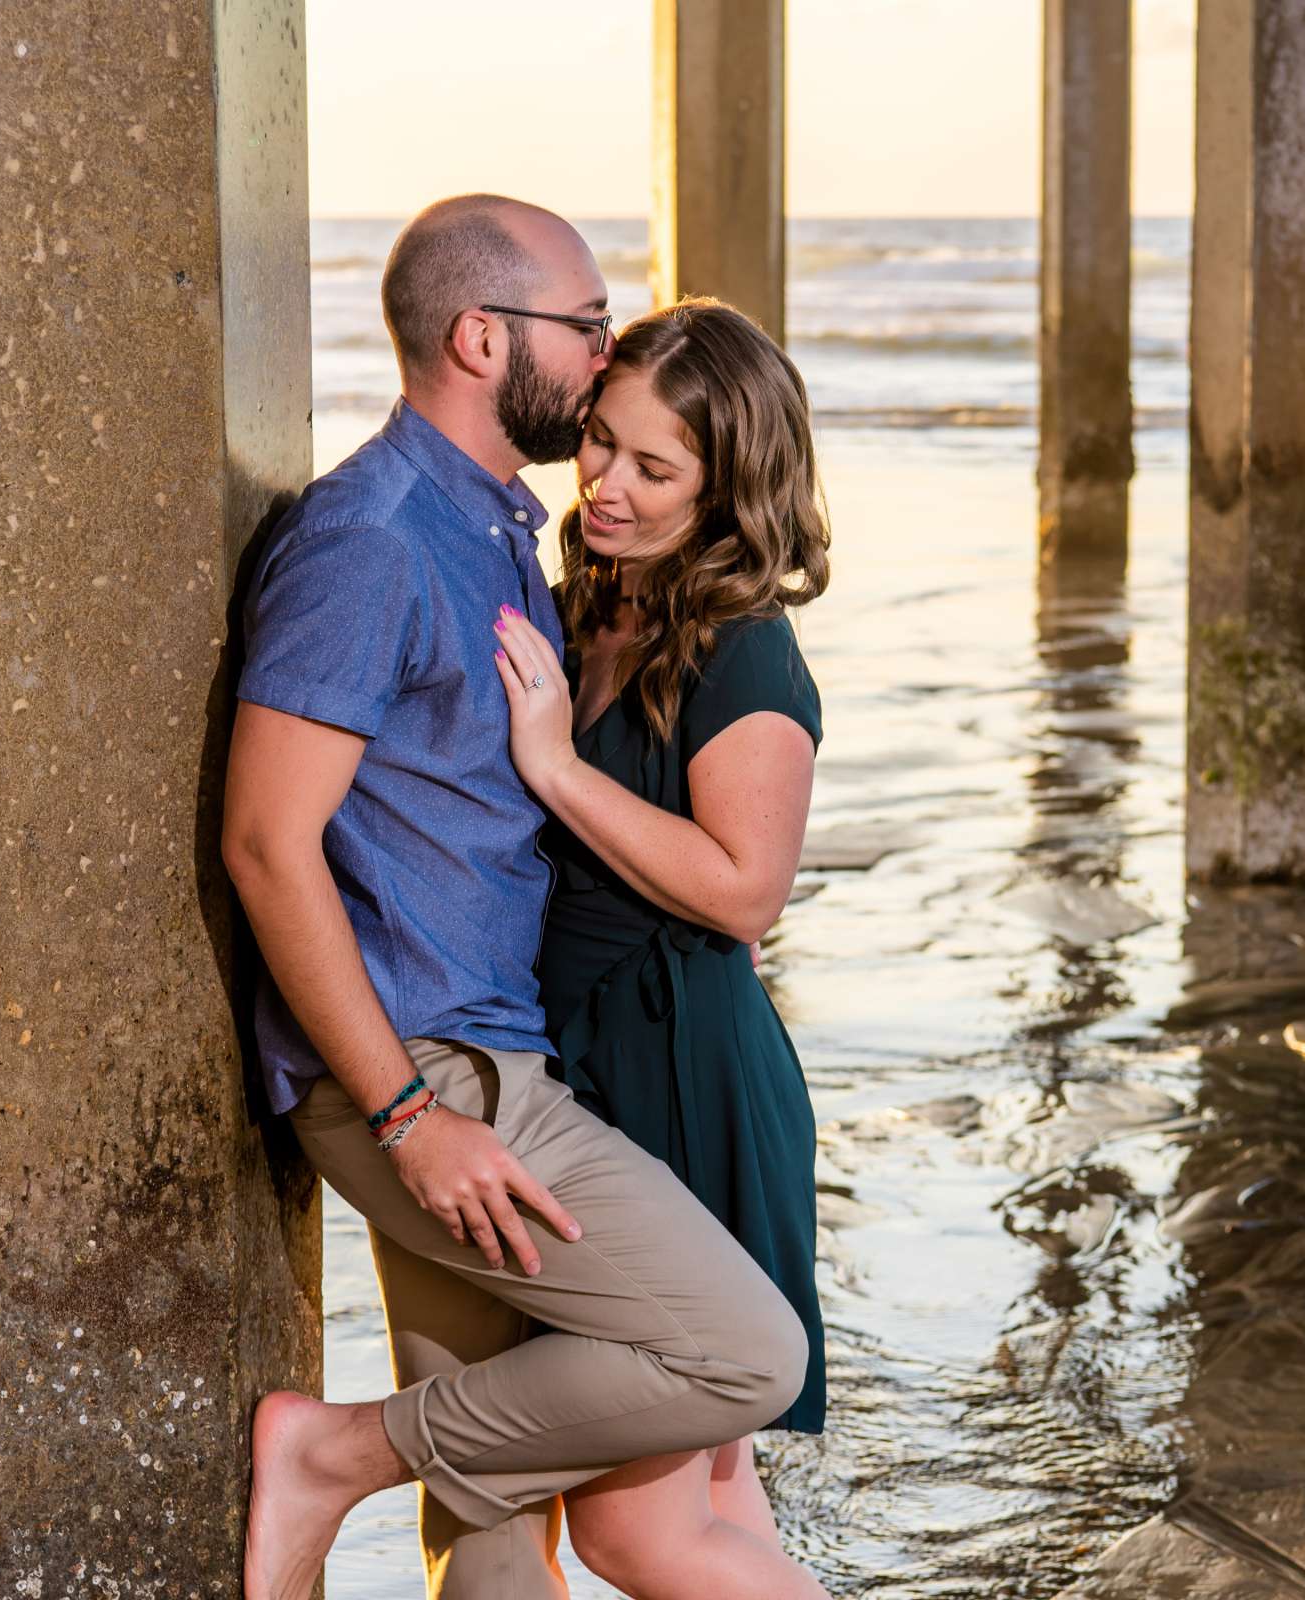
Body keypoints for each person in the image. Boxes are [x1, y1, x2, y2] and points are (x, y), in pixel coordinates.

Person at [225, 196, 807, 1600]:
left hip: (536, 1060)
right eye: (589, 326)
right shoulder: (378, 540)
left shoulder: (503, 537)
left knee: (497, 1512)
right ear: (485, 337)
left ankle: (348, 1455)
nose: (607, 355)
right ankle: (332, 1456)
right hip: (443, 1072)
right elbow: (265, 843)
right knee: (740, 1357)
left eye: (647, 456)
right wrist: (412, 1113)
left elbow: (739, 888)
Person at [489, 299, 833, 1593]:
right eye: (600, 444)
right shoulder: (595, 600)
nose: (607, 487)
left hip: (684, 1084)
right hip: (590, 1070)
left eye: (655, 468)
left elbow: (749, 893)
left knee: (635, 1527)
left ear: (729, 486)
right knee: (713, 1493)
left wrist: (551, 768)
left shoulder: (744, 652)